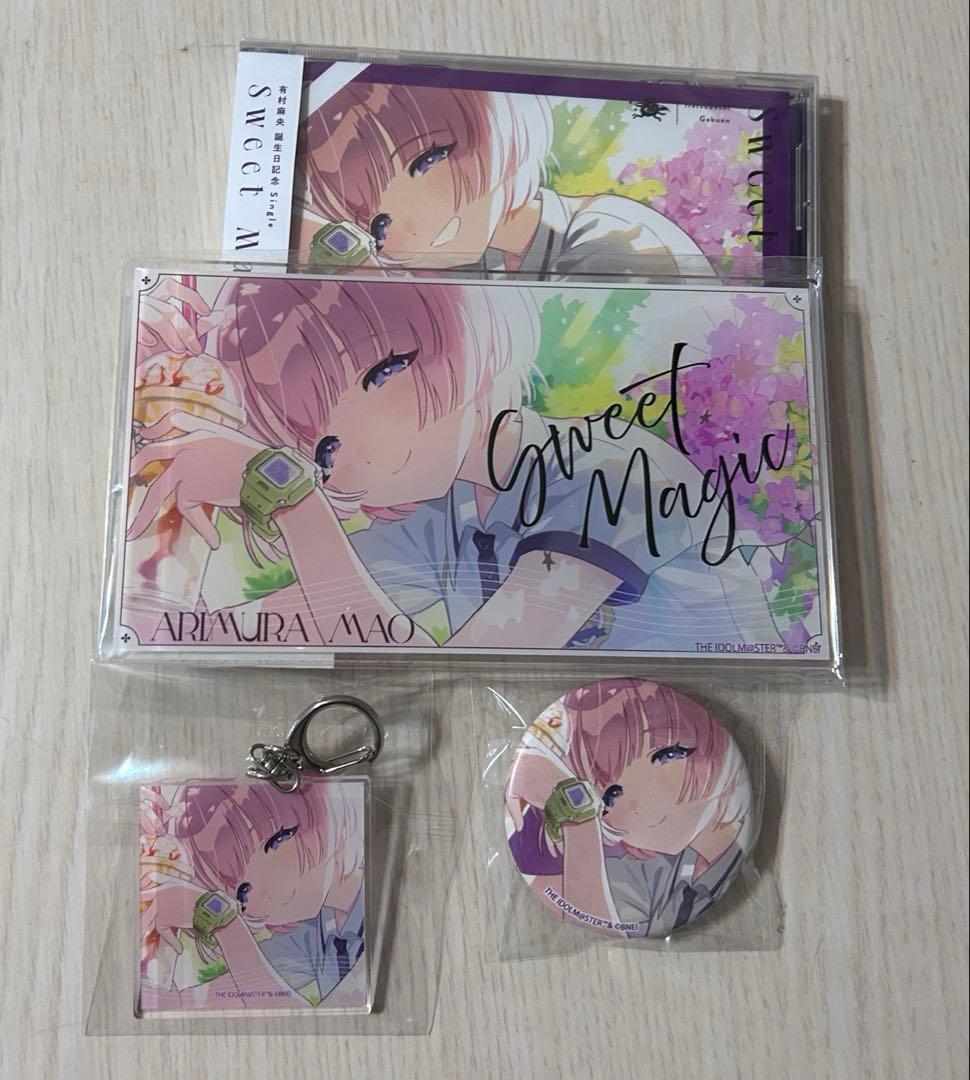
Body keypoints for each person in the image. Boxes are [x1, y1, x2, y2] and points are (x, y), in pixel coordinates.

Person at [126, 275, 783, 652]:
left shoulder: (608, 475)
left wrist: (296, 504)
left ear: (398, 366)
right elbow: (309, 616)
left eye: (324, 451)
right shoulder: (452, 516)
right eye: (312, 461)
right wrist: (158, 604)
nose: (331, 478)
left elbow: (476, 659)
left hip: (713, 721)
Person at [294, 81, 709, 277]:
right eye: (378, 225)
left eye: (428, 161)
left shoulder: (617, 238)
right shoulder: (485, 265)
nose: (415, 224)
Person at [505, 678, 753, 937]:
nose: (638, 802)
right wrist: (579, 826)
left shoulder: (699, 866)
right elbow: (594, 914)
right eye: (611, 796)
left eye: (667, 755)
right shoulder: (647, 876)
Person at [139, 781, 365, 1009]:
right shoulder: (313, 934)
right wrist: (147, 860)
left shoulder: (376, 906)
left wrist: (225, 923)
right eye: (242, 894)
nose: (269, 887)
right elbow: (187, 1002)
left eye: (276, 842)